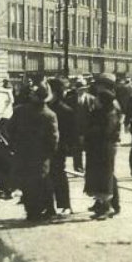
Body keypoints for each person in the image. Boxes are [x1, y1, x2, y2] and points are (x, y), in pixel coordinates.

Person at [8, 82, 59, 221]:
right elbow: (53, 138)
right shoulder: (50, 115)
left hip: (23, 152)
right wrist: (50, 152)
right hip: (41, 155)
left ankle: (31, 211)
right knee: (42, 181)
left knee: (27, 182)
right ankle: (48, 209)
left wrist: (15, 145)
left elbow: (10, 129)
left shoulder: (20, 111)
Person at [84, 74, 122, 218]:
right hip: (100, 145)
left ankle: (110, 205)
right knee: (105, 174)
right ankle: (103, 203)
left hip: (106, 145)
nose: (97, 86)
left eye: (99, 84)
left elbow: (108, 127)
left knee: (107, 175)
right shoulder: (103, 101)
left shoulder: (111, 103)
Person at [47, 77, 76, 215]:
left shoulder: (65, 110)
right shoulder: (46, 107)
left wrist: (67, 148)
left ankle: (65, 205)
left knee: (59, 175)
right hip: (45, 148)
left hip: (58, 148)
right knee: (47, 177)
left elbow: (70, 132)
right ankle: (49, 207)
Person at [64, 75, 92, 172]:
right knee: (76, 149)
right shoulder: (70, 100)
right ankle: (78, 167)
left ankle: (89, 167)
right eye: (80, 89)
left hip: (88, 128)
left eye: (84, 89)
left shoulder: (92, 99)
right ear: (76, 90)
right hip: (75, 128)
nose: (82, 91)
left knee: (89, 149)